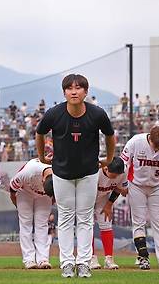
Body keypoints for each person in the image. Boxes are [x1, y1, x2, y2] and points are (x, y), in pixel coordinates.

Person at [36, 74, 115, 278]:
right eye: (70, 88)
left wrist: (109, 158)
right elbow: (40, 132)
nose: (74, 91)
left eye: (79, 88)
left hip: (89, 172)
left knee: (86, 218)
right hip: (62, 173)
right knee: (65, 218)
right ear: (64, 92)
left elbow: (109, 134)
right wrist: (42, 156)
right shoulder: (54, 113)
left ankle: (84, 263)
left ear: (86, 92)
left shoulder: (97, 114)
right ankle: (67, 263)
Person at [121, 126, 159, 271]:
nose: (157, 150)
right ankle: (143, 257)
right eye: (155, 147)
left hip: (156, 186)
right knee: (138, 222)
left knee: (158, 223)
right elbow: (124, 164)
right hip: (136, 185)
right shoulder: (136, 142)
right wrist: (124, 183)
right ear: (149, 138)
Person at [9, 158, 54, 269]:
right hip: (24, 192)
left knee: (42, 224)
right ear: (43, 180)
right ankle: (29, 259)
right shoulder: (28, 172)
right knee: (26, 223)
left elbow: (57, 197)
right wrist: (17, 205)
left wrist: (50, 198)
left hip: (45, 196)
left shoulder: (60, 175)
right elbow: (12, 189)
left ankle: (43, 259)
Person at [89, 157, 127, 270]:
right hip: (87, 197)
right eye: (113, 174)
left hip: (103, 197)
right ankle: (90, 258)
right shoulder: (94, 171)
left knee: (106, 224)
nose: (116, 177)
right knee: (87, 225)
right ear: (105, 168)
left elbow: (119, 189)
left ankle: (109, 259)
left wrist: (109, 205)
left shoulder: (123, 171)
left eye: (117, 175)